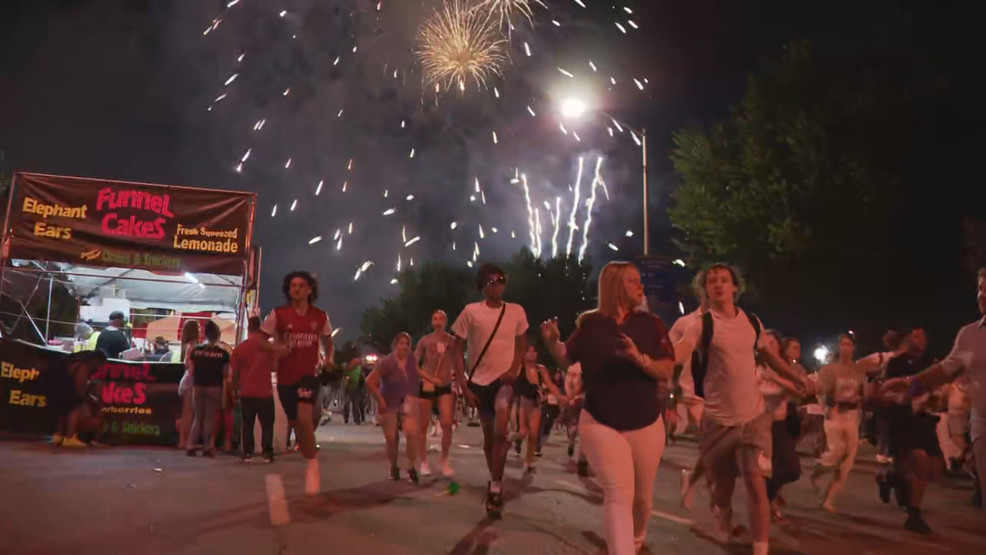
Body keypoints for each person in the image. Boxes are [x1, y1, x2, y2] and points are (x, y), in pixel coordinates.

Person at [674, 264, 811, 555]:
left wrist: (794, 376)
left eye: (724, 280)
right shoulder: (702, 325)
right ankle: (720, 510)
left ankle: (760, 549)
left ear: (735, 287)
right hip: (718, 421)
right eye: (712, 282)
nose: (718, 285)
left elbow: (769, 356)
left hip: (754, 418)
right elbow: (681, 352)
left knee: (755, 480)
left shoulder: (752, 321)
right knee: (723, 489)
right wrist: (652, 360)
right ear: (706, 290)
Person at [542, 261, 675, 555]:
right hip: (601, 421)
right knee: (618, 493)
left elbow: (666, 371)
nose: (641, 287)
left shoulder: (650, 325)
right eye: (633, 281)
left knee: (642, 499)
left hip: (645, 422)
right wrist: (553, 343)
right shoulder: (591, 324)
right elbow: (567, 357)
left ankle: (637, 539)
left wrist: (638, 358)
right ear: (615, 287)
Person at [882, 268, 986, 522]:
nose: (982, 294)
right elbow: (944, 371)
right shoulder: (970, 335)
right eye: (980, 288)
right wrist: (911, 386)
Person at [452, 263, 529, 519]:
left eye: (501, 279)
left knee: (501, 428)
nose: (497, 284)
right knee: (489, 438)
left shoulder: (516, 311)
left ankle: (495, 487)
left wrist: (515, 369)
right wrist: (463, 384)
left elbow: (521, 344)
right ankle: (495, 477)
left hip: (504, 381)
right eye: (491, 281)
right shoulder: (470, 312)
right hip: (479, 381)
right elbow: (457, 349)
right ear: (482, 287)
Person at [260, 271, 333, 496]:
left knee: (304, 417)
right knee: (296, 422)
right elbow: (261, 340)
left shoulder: (320, 316)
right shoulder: (279, 314)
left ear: (310, 290)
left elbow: (328, 341)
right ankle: (307, 449)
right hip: (285, 379)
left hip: (307, 376)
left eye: (302, 286)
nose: (297, 289)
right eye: (293, 286)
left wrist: (329, 359)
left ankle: (312, 465)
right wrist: (277, 348)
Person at [809, 333, 868, 513]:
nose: (846, 347)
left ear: (854, 348)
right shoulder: (829, 369)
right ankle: (818, 471)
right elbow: (823, 391)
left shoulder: (859, 370)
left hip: (852, 416)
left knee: (847, 463)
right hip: (834, 414)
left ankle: (829, 498)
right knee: (836, 449)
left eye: (849, 344)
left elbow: (865, 394)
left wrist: (861, 398)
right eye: (842, 344)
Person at [758, 331, 805, 521]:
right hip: (760, 425)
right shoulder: (757, 367)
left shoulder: (784, 369)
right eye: (765, 343)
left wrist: (776, 378)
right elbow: (760, 390)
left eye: (773, 343)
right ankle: (764, 502)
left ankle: (766, 496)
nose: (769, 346)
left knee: (791, 470)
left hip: (780, 424)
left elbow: (800, 390)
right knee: (766, 469)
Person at [367, 332, 422, 483]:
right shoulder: (388, 362)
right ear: (395, 345)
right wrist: (380, 400)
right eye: (401, 343)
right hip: (389, 402)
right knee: (392, 439)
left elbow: (417, 376)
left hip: (408, 403)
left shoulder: (411, 361)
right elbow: (370, 381)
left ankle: (411, 466)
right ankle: (394, 467)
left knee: (412, 434)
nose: (404, 347)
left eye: (407, 344)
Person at [414, 309, 461, 477]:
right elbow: (415, 364)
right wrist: (429, 378)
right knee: (423, 425)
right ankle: (424, 462)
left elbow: (458, 362)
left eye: (441, 318)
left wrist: (458, 379)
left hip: (445, 385)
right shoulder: (425, 341)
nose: (438, 321)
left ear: (446, 321)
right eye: (435, 318)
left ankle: (444, 459)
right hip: (427, 385)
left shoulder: (452, 341)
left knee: (447, 423)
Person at [515, 343, 567, 474]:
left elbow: (550, 385)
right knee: (522, 432)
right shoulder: (519, 367)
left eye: (534, 351)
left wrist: (560, 397)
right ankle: (510, 439)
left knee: (533, 435)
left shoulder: (540, 369)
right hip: (521, 403)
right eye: (529, 351)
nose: (531, 354)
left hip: (535, 405)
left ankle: (528, 462)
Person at [232, 316, 276, 463]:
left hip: (247, 392)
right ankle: (267, 453)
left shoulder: (241, 348)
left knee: (247, 424)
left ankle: (247, 453)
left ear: (248, 328)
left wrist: (235, 389)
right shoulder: (267, 347)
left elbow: (235, 373)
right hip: (264, 392)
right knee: (267, 424)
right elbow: (274, 367)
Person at [185, 320, 230, 457]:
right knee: (209, 418)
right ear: (217, 335)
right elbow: (226, 373)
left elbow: (191, 370)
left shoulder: (196, 351)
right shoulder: (223, 354)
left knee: (198, 417)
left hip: (198, 387)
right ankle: (206, 447)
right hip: (214, 388)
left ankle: (191, 445)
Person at [177, 320, 201, 451]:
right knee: (188, 413)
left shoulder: (188, 346)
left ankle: (183, 439)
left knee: (187, 413)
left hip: (187, 380)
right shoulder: (193, 346)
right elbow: (190, 365)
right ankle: (184, 440)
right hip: (191, 381)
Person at [343, 356, 365, 425]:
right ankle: (346, 417)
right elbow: (344, 377)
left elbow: (363, 377)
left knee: (356, 405)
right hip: (348, 388)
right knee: (346, 404)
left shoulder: (359, 368)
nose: (355, 363)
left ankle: (357, 420)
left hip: (357, 389)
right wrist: (346, 380)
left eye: (356, 362)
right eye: (354, 361)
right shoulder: (347, 369)